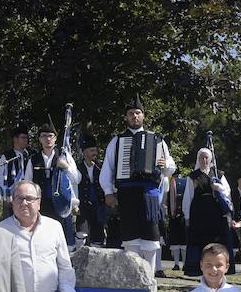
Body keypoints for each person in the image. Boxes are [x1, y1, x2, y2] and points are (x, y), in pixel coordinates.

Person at [100, 94, 176, 277]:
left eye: (138, 113)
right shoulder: (117, 140)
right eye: (131, 113)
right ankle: (132, 277)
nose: (135, 116)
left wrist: (166, 165)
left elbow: (171, 165)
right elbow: (107, 168)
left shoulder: (157, 139)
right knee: (130, 236)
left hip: (148, 193)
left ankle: (149, 276)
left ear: (144, 116)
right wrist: (108, 192)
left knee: (150, 237)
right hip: (126, 194)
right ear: (126, 117)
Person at [25, 123, 80, 245]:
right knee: (42, 239)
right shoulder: (33, 160)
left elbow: (76, 178)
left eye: (50, 136)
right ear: (39, 139)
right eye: (44, 136)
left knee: (63, 240)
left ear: (55, 138)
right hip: (40, 205)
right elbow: (27, 183)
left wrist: (66, 167)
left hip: (61, 204)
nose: (47, 139)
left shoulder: (65, 156)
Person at [182, 148, 233, 277]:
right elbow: (188, 197)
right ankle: (198, 269)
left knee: (217, 241)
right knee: (199, 241)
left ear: (210, 159)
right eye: (201, 158)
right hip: (199, 214)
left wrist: (219, 187)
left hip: (216, 214)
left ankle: (218, 267)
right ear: (198, 159)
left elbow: (227, 192)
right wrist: (187, 216)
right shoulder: (193, 176)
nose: (204, 160)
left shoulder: (218, 174)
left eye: (206, 158)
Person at [0, 123, 34, 219]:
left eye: (27, 138)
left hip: (28, 196)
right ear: (15, 139)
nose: (26, 140)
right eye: (23, 138)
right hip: (12, 197)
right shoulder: (7, 156)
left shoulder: (32, 155)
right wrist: (5, 198)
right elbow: (1, 177)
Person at [75, 132, 106, 247]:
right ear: (84, 152)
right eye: (91, 151)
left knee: (98, 235)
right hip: (82, 205)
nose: (95, 153)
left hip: (98, 205)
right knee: (81, 233)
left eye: (95, 150)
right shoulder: (77, 167)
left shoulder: (101, 166)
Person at [166, 172, 187, 270]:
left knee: (183, 242)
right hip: (173, 216)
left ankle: (184, 263)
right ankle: (176, 264)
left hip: (183, 216)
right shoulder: (170, 184)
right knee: (175, 242)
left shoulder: (186, 183)